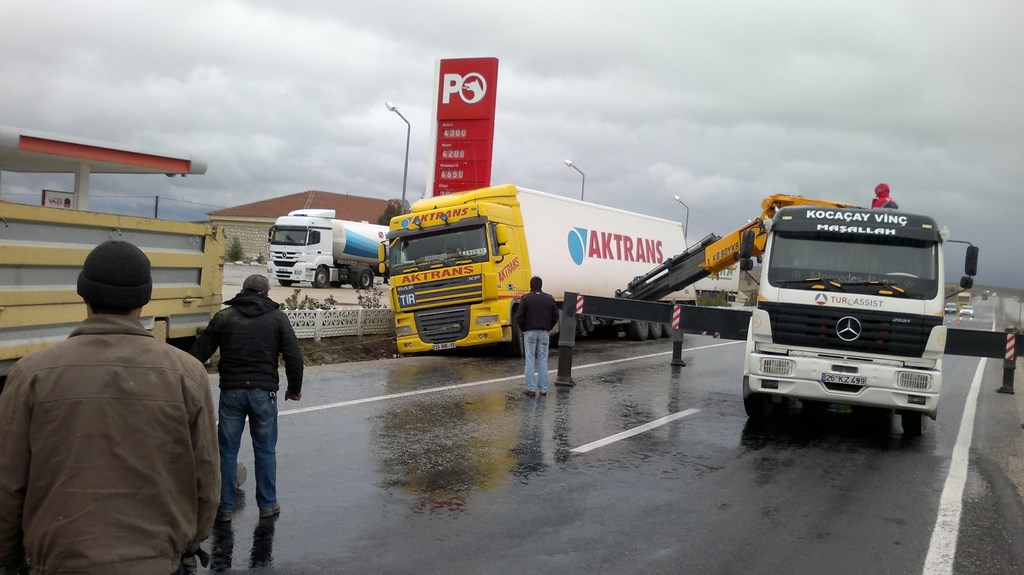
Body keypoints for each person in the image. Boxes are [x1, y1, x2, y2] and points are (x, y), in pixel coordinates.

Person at [0, 240, 219, 575]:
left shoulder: (31, 374)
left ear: (83, 294)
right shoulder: (187, 374)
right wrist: (189, 544)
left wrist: (8, 557)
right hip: (157, 561)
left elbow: (8, 481)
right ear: (143, 300)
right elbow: (206, 477)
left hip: (59, 562)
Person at [190, 274, 303, 523]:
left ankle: (224, 507)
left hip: (232, 393)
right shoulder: (277, 319)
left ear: (242, 291)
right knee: (265, 450)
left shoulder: (224, 317)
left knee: (227, 451)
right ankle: (268, 505)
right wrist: (294, 389)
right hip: (264, 394)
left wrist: (184, 384)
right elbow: (294, 357)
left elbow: (198, 354)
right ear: (267, 293)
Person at [514, 276, 560, 396]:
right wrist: (548, 327)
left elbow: (518, 317)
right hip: (544, 332)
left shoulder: (526, 298)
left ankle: (531, 388)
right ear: (541, 285)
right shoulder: (549, 298)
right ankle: (543, 389)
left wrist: (524, 328)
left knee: (530, 359)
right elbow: (555, 316)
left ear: (531, 285)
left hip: (530, 332)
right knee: (543, 360)